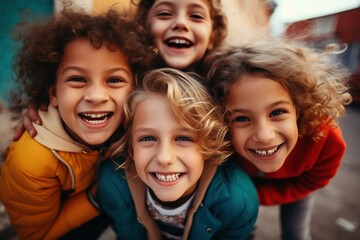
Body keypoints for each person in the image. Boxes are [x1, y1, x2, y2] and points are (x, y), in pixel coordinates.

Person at [0, 7, 157, 240]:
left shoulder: (130, 116)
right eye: (77, 79)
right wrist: (94, 198)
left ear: (134, 89)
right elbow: (37, 235)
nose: (96, 96)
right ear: (53, 93)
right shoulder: (31, 160)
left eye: (114, 80)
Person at [12, 0, 228, 142]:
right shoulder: (129, 69)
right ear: (143, 26)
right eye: (164, 13)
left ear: (213, 35)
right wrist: (42, 106)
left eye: (196, 16)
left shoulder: (221, 81)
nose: (181, 23)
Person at [205, 39, 352, 240]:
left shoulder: (326, 141)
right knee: (244, 227)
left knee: (296, 234)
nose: (264, 136)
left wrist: (260, 196)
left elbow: (313, 181)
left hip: (298, 185)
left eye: (277, 112)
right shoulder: (221, 142)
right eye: (241, 118)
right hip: (243, 185)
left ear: (299, 108)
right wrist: (249, 197)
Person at [98, 68, 259, 239]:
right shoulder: (113, 184)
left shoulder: (237, 200)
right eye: (147, 138)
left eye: (183, 138)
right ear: (131, 147)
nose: (164, 158)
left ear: (209, 146)